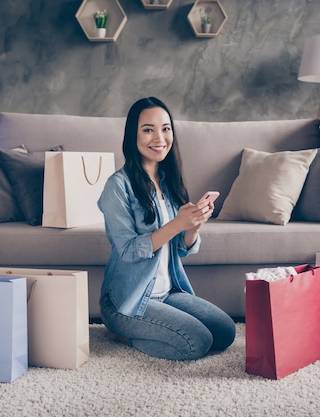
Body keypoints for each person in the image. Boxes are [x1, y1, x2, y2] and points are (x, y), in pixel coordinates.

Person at [97, 97, 236, 361]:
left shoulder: (168, 181)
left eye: (166, 128)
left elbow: (182, 248)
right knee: (197, 342)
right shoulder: (117, 186)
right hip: (128, 301)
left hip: (169, 293)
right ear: (132, 136)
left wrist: (193, 225)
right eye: (148, 129)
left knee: (225, 332)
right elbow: (128, 250)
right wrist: (176, 225)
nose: (159, 138)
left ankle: (148, 328)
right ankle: (123, 333)